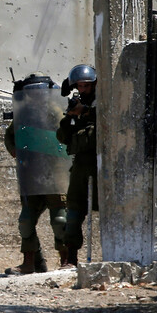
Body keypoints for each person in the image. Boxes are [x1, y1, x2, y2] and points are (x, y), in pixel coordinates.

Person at [3, 120, 67, 274]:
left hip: (54, 175)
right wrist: (14, 150)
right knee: (26, 221)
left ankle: (67, 260)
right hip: (31, 175)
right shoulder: (27, 112)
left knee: (60, 221)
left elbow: (66, 135)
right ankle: (29, 263)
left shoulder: (55, 109)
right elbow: (9, 135)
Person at [55, 64, 98, 267]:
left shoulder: (102, 102)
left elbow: (108, 121)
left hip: (102, 163)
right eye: (79, 86)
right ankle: (71, 259)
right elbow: (63, 137)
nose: (82, 90)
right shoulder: (77, 104)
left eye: (86, 86)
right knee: (73, 212)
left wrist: (87, 112)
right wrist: (71, 117)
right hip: (81, 165)